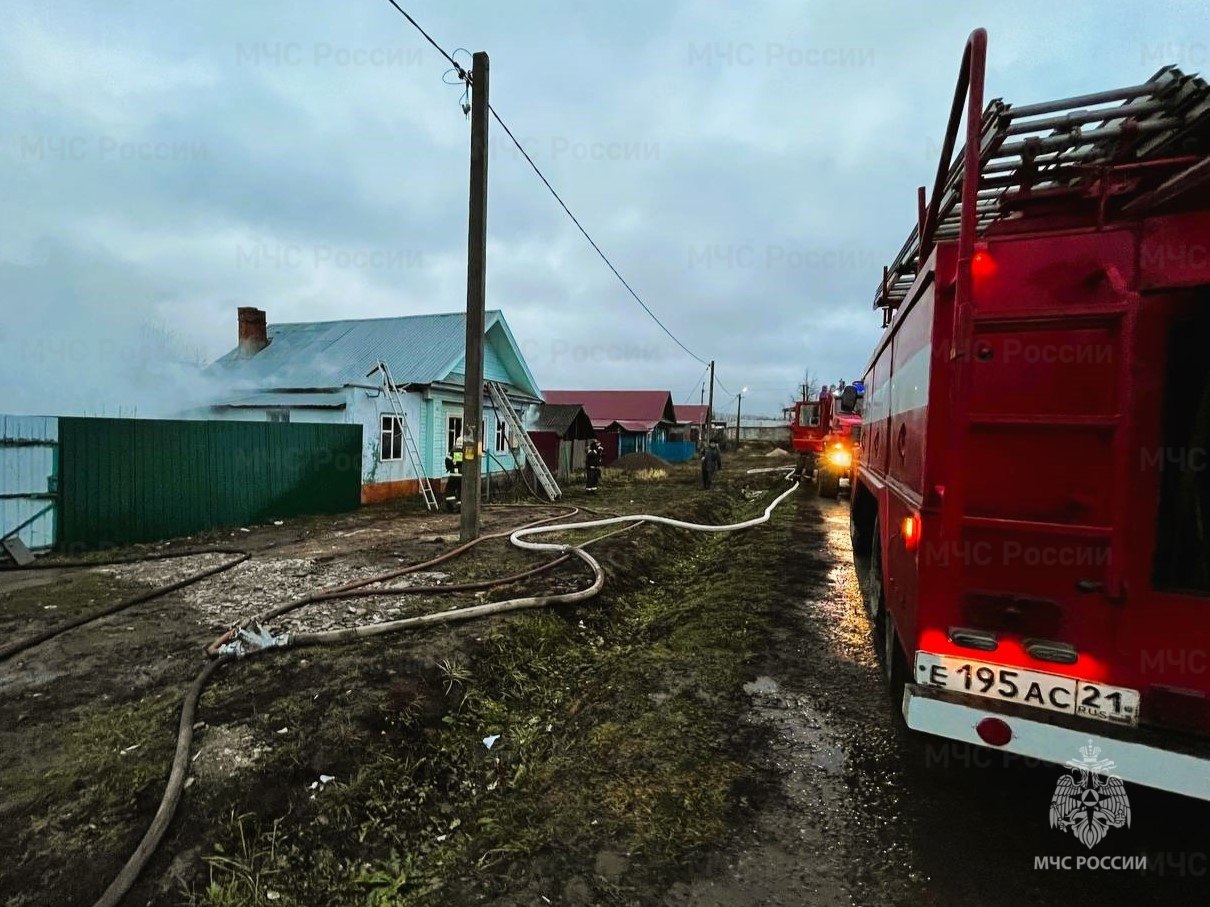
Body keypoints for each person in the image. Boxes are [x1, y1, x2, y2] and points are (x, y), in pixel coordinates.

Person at [443, 445, 464, 512]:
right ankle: (460, 508)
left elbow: (447, 460)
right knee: (461, 491)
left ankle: (451, 507)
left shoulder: (452, 451)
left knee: (449, 490)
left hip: (453, 475)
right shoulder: (465, 451)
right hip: (462, 476)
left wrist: (449, 468)